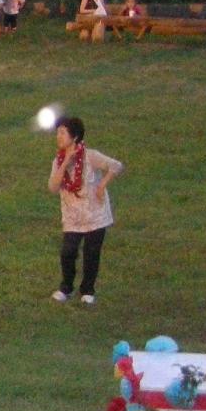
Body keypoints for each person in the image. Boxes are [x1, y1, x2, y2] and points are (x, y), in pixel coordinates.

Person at [47, 115, 121, 305]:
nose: (59, 137)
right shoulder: (58, 161)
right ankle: (66, 287)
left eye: (63, 133)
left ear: (75, 136)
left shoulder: (90, 156)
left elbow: (115, 165)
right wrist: (64, 164)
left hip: (95, 215)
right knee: (68, 252)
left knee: (91, 253)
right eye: (58, 133)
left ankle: (87, 290)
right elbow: (53, 187)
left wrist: (102, 184)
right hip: (73, 217)